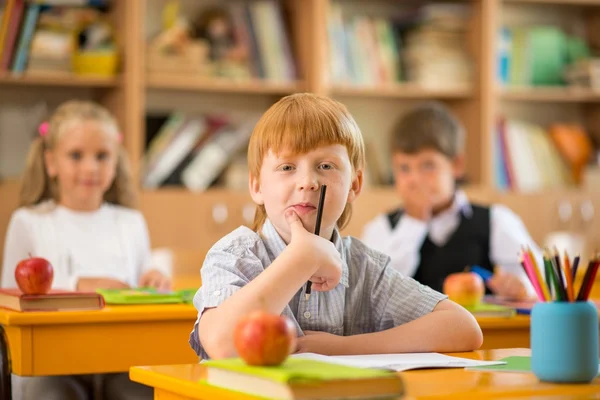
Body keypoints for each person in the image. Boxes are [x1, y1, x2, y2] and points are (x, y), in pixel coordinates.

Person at [189, 93, 483, 360]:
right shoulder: (235, 255)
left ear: (355, 184)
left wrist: (339, 348)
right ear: (256, 186)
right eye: (287, 167)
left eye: (325, 166)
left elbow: (464, 328)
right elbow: (224, 344)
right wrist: (302, 259)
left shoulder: (363, 267)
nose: (308, 182)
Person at [1, 100, 171, 400]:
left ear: (116, 160)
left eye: (102, 156)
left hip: (122, 360)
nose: (90, 167)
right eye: (76, 155)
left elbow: (145, 279)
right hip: (51, 365)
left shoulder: (131, 222)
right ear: (51, 162)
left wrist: (154, 277)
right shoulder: (28, 222)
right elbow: (8, 300)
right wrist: (76, 288)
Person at [362, 101, 541, 300]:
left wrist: (522, 287)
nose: (414, 180)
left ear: (456, 165)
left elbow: (540, 278)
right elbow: (375, 292)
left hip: (482, 330)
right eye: (404, 168)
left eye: (428, 165)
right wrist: (414, 221)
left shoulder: (495, 221)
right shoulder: (381, 228)